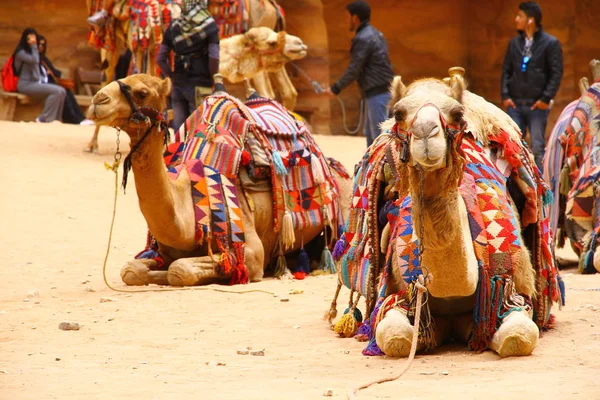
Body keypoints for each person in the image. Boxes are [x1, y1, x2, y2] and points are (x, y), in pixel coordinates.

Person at [501, 1, 563, 172]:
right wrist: (505, 96)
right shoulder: (514, 43)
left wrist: (545, 99)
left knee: (537, 147)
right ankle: (514, 189)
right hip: (515, 105)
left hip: (537, 106)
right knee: (513, 146)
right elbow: (506, 70)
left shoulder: (550, 43)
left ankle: (540, 191)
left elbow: (556, 73)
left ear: (530, 20)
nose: (516, 19)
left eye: (520, 16)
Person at [325, 0, 394, 147]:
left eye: (347, 16)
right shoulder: (376, 33)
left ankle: (384, 170)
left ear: (355, 18)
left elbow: (354, 69)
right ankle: (370, 169)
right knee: (371, 136)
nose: (345, 20)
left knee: (379, 139)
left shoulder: (363, 38)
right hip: (382, 91)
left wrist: (335, 88)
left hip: (378, 93)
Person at [157, 0, 219, 132]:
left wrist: (172, 77)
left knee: (180, 132)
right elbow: (214, 57)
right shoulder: (210, 27)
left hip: (178, 86)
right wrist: (213, 81)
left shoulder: (174, 26)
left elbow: (160, 59)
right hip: (201, 86)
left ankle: (180, 153)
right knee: (200, 130)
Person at [37, 35, 94, 126]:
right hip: (40, 85)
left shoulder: (43, 58)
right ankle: (74, 120)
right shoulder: (32, 58)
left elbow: (55, 72)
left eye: (42, 45)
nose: (40, 47)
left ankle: (80, 118)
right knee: (62, 92)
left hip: (49, 84)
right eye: (38, 45)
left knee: (67, 91)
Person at [13, 28, 66, 123]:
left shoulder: (33, 52)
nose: (33, 40)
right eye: (30, 38)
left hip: (35, 83)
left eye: (34, 38)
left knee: (62, 91)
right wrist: (33, 46)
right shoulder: (21, 52)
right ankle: (43, 118)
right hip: (25, 84)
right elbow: (35, 60)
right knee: (56, 91)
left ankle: (56, 119)